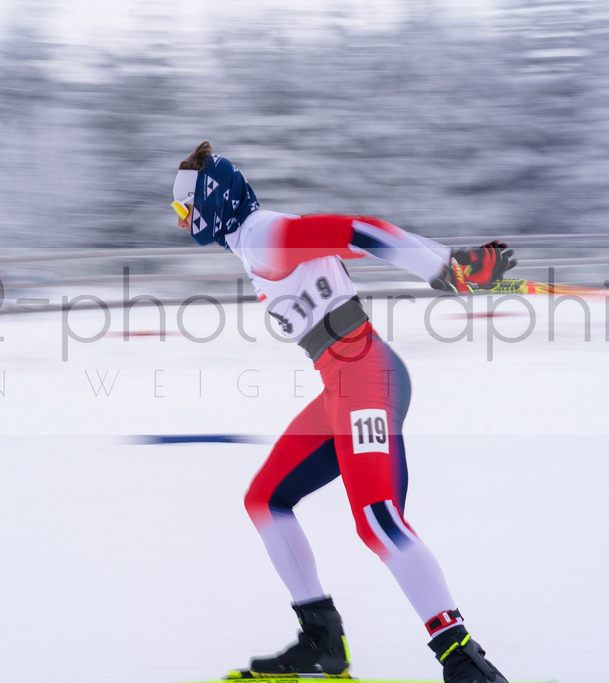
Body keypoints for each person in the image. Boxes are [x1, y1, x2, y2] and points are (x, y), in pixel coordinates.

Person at [171, 142, 516, 683]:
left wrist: (444, 268)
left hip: (365, 377)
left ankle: (462, 657)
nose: (182, 222)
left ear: (209, 201)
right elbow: (364, 241)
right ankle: (321, 641)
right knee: (266, 500)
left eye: (183, 210)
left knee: (377, 520)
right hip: (339, 386)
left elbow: (361, 230)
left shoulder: (264, 233)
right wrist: (455, 261)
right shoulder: (250, 241)